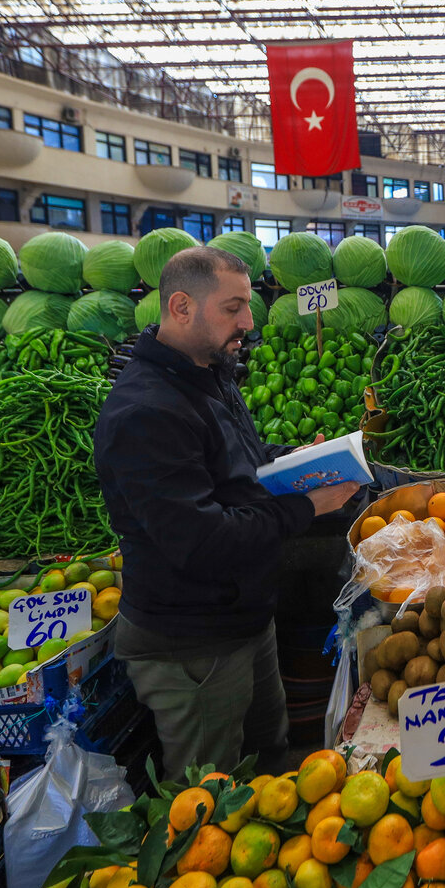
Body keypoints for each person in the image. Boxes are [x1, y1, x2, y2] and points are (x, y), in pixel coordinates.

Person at [94, 246, 359, 779]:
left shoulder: (208, 371)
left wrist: (305, 462)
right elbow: (202, 542)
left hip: (243, 621)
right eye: (233, 308)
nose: (248, 323)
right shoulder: (146, 412)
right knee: (208, 794)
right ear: (182, 307)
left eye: (249, 307)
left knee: (269, 763)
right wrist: (306, 506)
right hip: (192, 647)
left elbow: (242, 470)